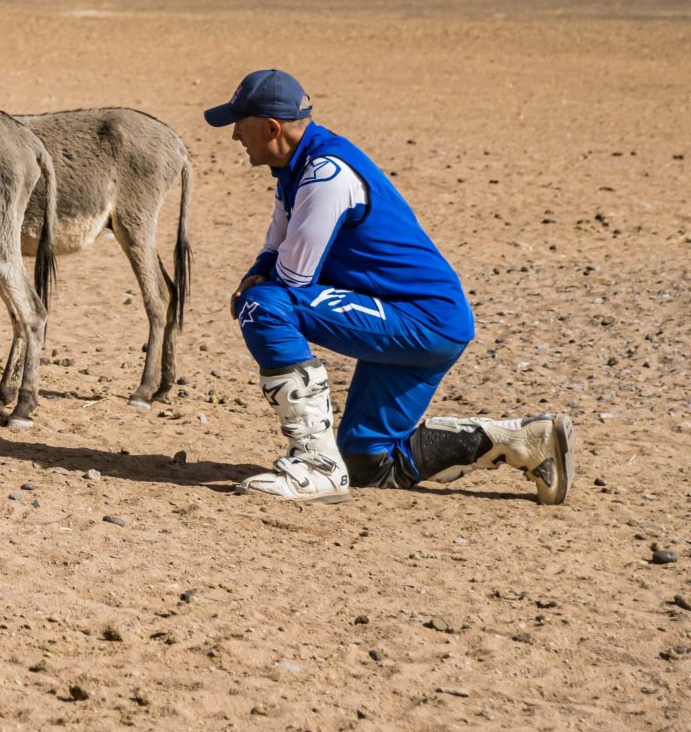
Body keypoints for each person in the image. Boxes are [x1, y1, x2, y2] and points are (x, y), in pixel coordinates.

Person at [208, 69, 571, 504]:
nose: (234, 137)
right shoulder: (298, 167)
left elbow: (294, 277)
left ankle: (315, 466)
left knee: (263, 306)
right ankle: (526, 440)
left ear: (272, 127)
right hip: (417, 318)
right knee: (366, 463)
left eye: (239, 124)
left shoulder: (326, 174)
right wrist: (260, 267)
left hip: (423, 321)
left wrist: (261, 282)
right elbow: (277, 244)